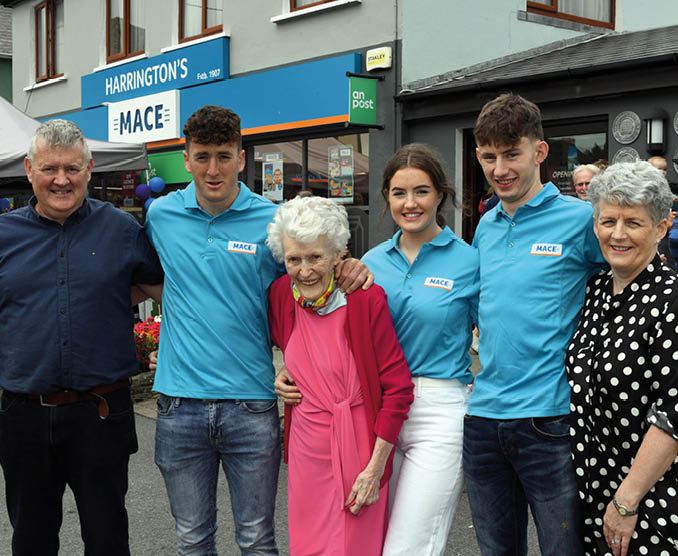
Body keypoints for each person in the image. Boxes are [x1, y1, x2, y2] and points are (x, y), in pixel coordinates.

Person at [144, 105, 371, 556]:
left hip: (251, 404)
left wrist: (349, 265)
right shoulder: (161, 217)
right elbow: (142, 281)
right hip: (178, 404)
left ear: (241, 158)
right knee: (192, 539)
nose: (213, 169)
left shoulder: (271, 221)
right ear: (185, 159)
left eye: (224, 156)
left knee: (256, 538)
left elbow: (307, 290)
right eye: (203, 156)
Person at [277, 143, 479, 555]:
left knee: (408, 545)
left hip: (436, 410)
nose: (410, 203)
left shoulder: (469, 261)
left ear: (440, 194)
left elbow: (493, 335)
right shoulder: (368, 261)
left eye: (421, 191)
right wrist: (290, 371)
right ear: (386, 198)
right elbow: (330, 327)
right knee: (368, 537)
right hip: (373, 410)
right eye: (399, 193)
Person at [0, 119, 164, 556]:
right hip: (23, 416)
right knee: (31, 540)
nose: (61, 179)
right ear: (29, 169)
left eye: (72, 168)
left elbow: (170, 295)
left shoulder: (123, 231)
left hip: (101, 413)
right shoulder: (3, 236)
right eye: (50, 168)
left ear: (89, 169)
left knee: (108, 537)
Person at [465, 92, 607, 556]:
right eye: (489, 157)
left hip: (550, 418)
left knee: (562, 550)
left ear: (540, 151)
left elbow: (627, 288)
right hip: (484, 416)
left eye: (512, 154)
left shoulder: (580, 220)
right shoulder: (485, 225)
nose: (499, 168)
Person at [266, 196, 413, 555]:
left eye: (316, 257)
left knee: (355, 544)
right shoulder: (281, 295)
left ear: (337, 254)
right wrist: (284, 372)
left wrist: (375, 469)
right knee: (308, 544)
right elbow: (294, 350)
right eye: (293, 259)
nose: (305, 271)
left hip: (360, 445)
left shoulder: (365, 298)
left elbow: (398, 390)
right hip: (305, 447)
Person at [567, 161, 678, 556]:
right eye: (607, 220)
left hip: (648, 496)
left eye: (633, 222)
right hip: (593, 490)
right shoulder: (595, 290)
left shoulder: (670, 299)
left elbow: (673, 414)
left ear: (661, 228)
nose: (617, 234)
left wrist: (627, 500)